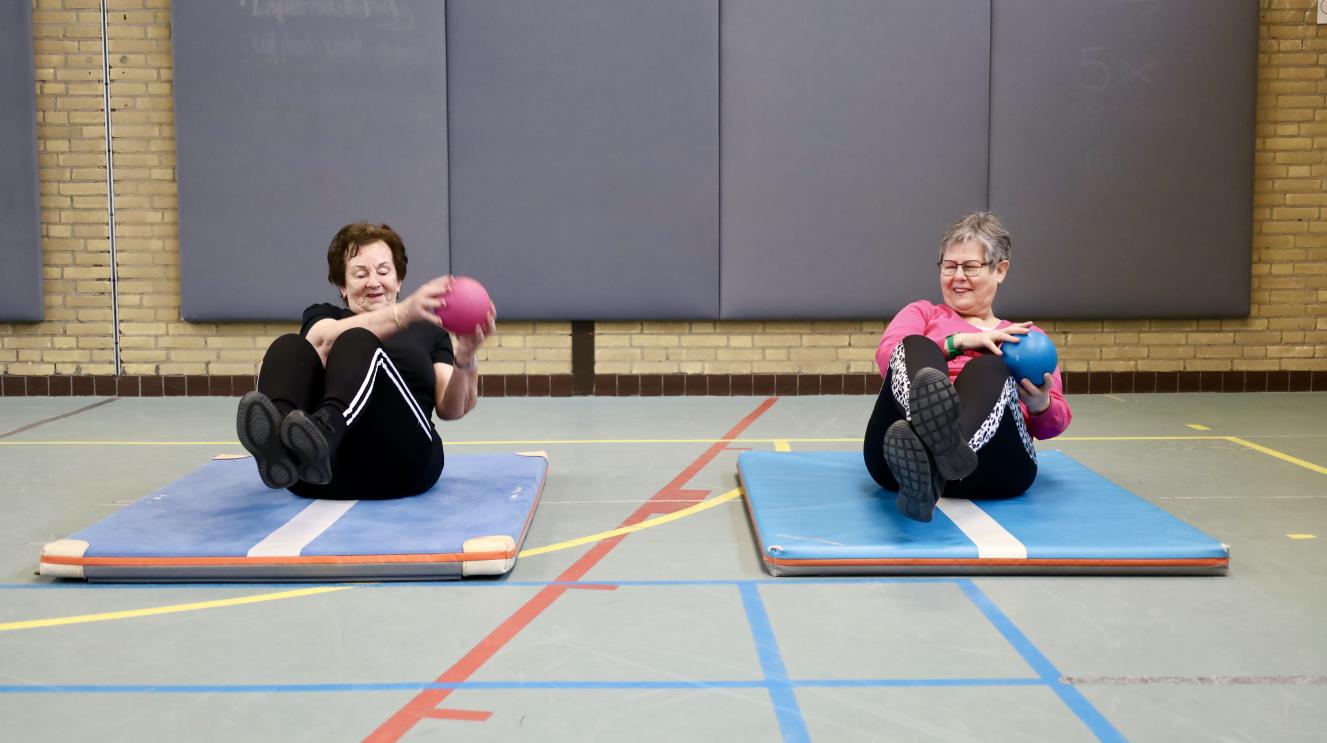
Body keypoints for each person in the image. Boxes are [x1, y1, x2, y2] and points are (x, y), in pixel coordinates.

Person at [236, 222, 495, 499]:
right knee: (288, 345)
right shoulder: (324, 316)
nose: (373, 282)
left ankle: (325, 433)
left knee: (357, 340)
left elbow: (451, 409)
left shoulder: (429, 331)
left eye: (383, 271)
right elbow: (320, 342)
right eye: (360, 274)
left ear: (399, 280)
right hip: (318, 476)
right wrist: (403, 312)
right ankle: (283, 451)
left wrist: (466, 357)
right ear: (343, 286)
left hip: (402, 464)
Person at [863, 212, 1071, 522]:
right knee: (913, 346)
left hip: (992, 469)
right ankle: (938, 458)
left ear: (999, 271)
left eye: (970, 267)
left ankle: (944, 454)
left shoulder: (1025, 339)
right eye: (949, 266)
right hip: (899, 467)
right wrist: (957, 343)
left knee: (991, 368)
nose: (958, 276)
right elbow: (887, 359)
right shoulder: (921, 313)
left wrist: (1041, 405)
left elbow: (1053, 425)